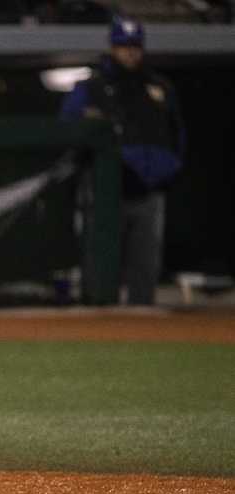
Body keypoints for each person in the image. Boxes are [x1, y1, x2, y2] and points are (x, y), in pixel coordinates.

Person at [60, 15, 186, 305]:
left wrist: (169, 169)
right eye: (123, 45)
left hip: (148, 189)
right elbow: (66, 128)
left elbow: (177, 133)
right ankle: (98, 321)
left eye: (135, 45)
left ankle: (141, 328)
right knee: (102, 260)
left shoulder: (159, 87)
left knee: (146, 262)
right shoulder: (93, 87)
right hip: (105, 190)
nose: (130, 51)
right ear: (112, 47)